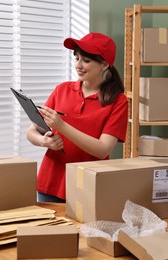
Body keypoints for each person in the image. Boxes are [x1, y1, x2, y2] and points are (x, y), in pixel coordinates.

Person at [26, 32, 128, 203]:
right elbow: (31, 131)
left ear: (104, 64)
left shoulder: (118, 101)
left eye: (86, 61)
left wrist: (62, 126)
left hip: (88, 188)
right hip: (50, 184)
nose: (78, 65)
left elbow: (103, 150)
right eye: (77, 58)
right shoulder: (62, 89)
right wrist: (44, 141)